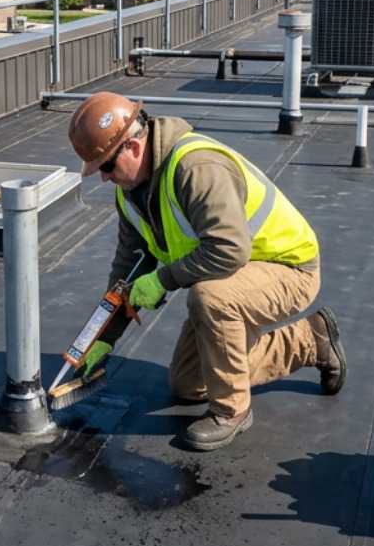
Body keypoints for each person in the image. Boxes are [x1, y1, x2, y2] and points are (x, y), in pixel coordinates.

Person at [67, 91, 346, 451]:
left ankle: (232, 410)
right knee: (187, 385)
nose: (104, 179)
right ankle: (311, 340)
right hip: (238, 273)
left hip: (289, 268)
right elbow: (128, 268)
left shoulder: (195, 168)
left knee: (209, 296)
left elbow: (229, 249)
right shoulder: (129, 193)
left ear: (134, 147)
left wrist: (163, 279)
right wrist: (105, 335)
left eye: (106, 166)